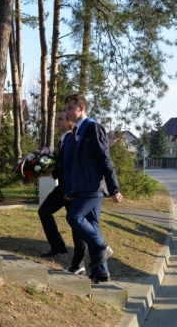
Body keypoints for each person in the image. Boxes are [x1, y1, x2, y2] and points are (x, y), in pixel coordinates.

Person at [62, 93, 123, 284]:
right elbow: (75, 164)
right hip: (83, 188)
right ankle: (101, 272)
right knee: (92, 227)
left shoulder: (92, 127)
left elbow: (104, 159)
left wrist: (114, 189)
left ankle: (103, 246)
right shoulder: (77, 131)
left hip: (93, 187)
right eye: (66, 109)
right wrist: (71, 191)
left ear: (82, 108)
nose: (67, 112)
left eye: (70, 108)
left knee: (74, 217)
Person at [38, 110, 88, 274]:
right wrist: (48, 168)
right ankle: (58, 246)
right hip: (62, 188)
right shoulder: (63, 140)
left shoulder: (71, 139)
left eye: (60, 119)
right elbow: (62, 164)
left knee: (76, 224)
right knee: (44, 211)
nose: (57, 122)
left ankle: (79, 263)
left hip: (72, 189)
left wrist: (72, 189)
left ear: (70, 122)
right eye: (57, 119)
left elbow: (72, 165)